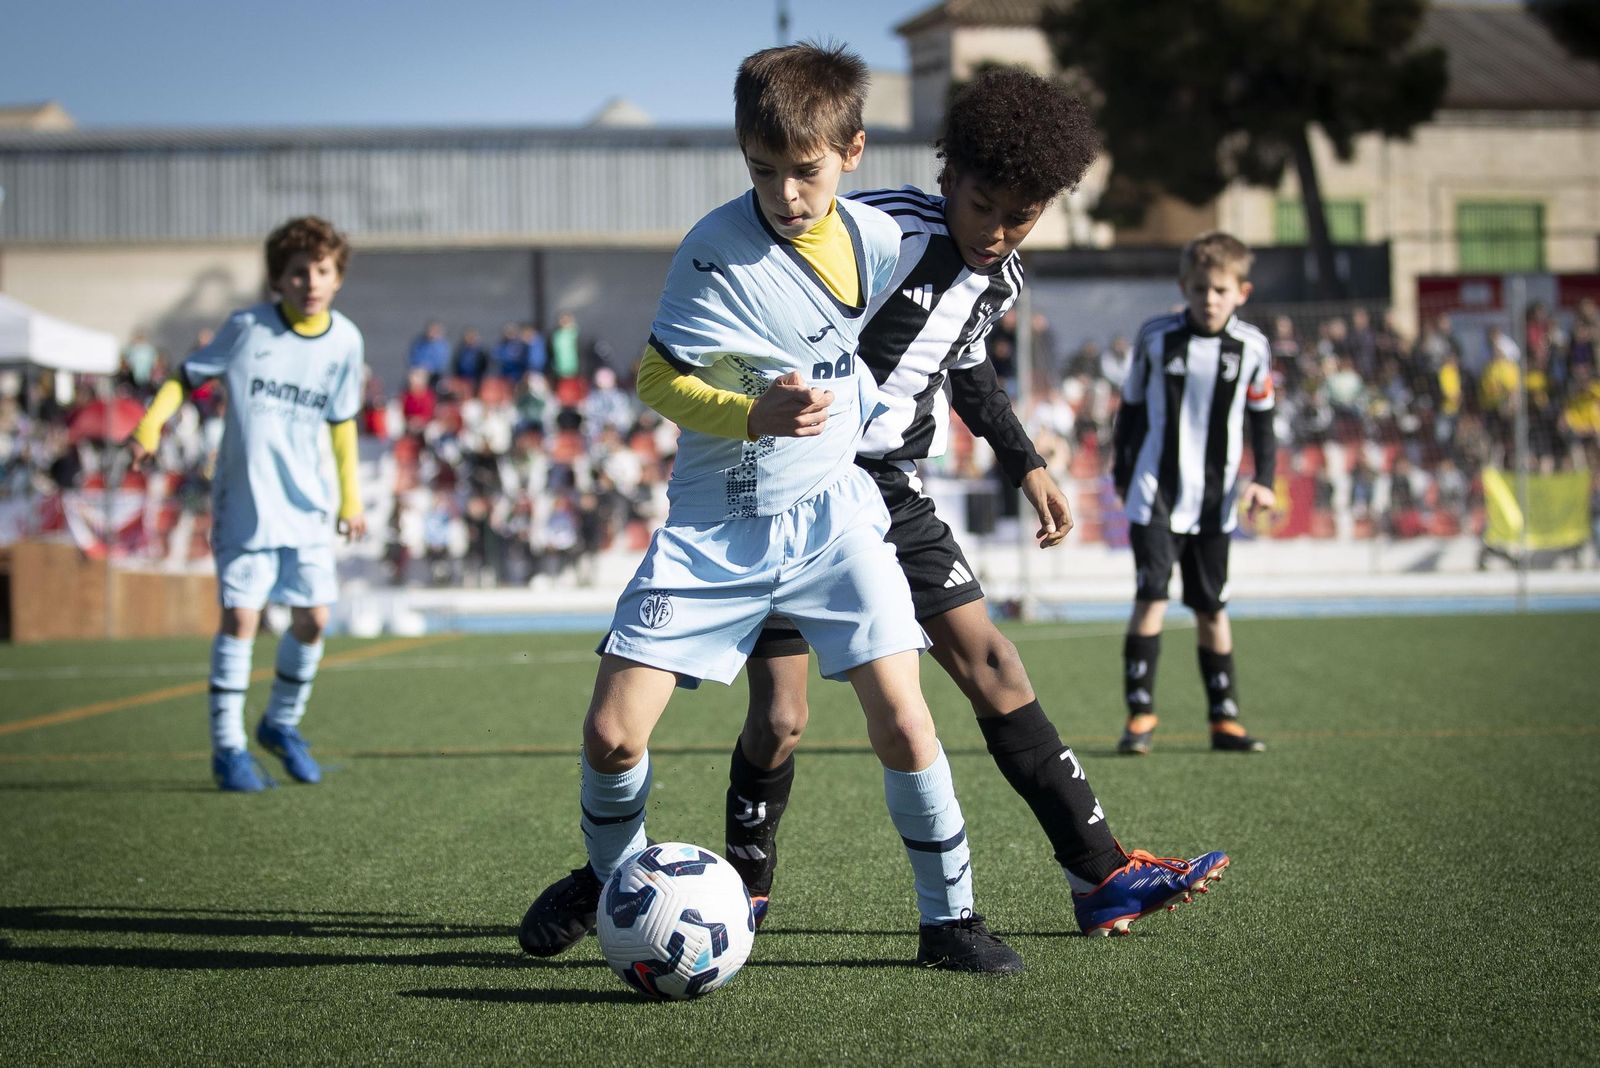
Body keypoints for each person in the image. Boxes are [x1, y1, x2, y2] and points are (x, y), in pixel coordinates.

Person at [517, 42, 1021, 973]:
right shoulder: (713, 254)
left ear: (852, 153)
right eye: (763, 171)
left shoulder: (875, 240)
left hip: (835, 516)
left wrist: (987, 437)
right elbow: (654, 377)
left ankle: (949, 921)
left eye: (806, 171)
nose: (785, 192)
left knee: (906, 721)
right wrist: (753, 413)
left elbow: (924, 333)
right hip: (717, 524)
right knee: (611, 732)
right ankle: (613, 878)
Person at [692, 69, 1227, 937]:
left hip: (892, 493)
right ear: (950, 180)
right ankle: (745, 891)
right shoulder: (881, 233)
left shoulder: (1002, 280)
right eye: (985, 206)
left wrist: (1028, 464)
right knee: (782, 720)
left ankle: (1101, 876)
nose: (1000, 231)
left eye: (1024, 215)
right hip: (794, 489)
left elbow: (963, 366)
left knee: (995, 665)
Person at [125, 216, 366, 791]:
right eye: (298, 272)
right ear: (278, 280)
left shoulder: (346, 341)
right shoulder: (247, 328)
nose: (311, 281)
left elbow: (342, 427)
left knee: (313, 620)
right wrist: (150, 427)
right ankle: (228, 749)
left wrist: (350, 500)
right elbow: (184, 377)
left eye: (323, 271)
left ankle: (280, 724)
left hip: (308, 504)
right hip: (247, 502)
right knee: (241, 616)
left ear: (338, 279)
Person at [1112, 231, 1276, 755]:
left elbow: (1263, 419)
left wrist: (1265, 480)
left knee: (1211, 608)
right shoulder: (1156, 337)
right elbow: (1131, 410)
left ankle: (1223, 719)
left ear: (1241, 293)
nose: (1209, 299)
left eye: (1221, 291)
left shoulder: (1252, 348)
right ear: (1184, 286)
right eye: (1201, 288)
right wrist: (1122, 473)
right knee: (1151, 599)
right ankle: (1140, 716)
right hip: (1156, 493)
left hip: (1216, 501)